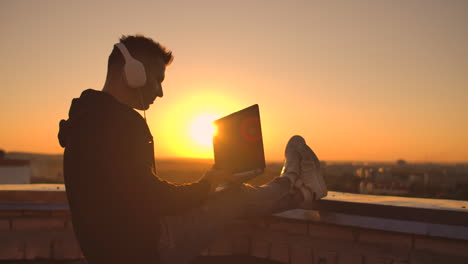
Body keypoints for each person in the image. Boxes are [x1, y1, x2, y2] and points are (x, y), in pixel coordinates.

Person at [58, 34, 327, 264]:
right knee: (234, 195)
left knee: (226, 193)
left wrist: (205, 188)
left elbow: (132, 192)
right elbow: (152, 197)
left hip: (110, 252)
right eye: (157, 79)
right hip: (143, 250)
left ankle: (298, 192)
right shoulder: (121, 123)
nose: (160, 92)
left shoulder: (86, 118)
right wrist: (206, 186)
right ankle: (294, 182)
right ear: (134, 74)